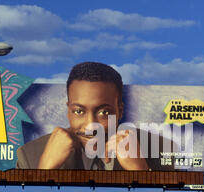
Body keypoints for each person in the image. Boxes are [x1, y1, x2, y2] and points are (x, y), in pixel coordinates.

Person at [16, 61, 176, 171]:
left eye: (104, 112)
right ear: (68, 110)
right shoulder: (30, 155)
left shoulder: (162, 149)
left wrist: (139, 170)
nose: (90, 126)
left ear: (120, 110)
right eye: (79, 111)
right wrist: (44, 170)